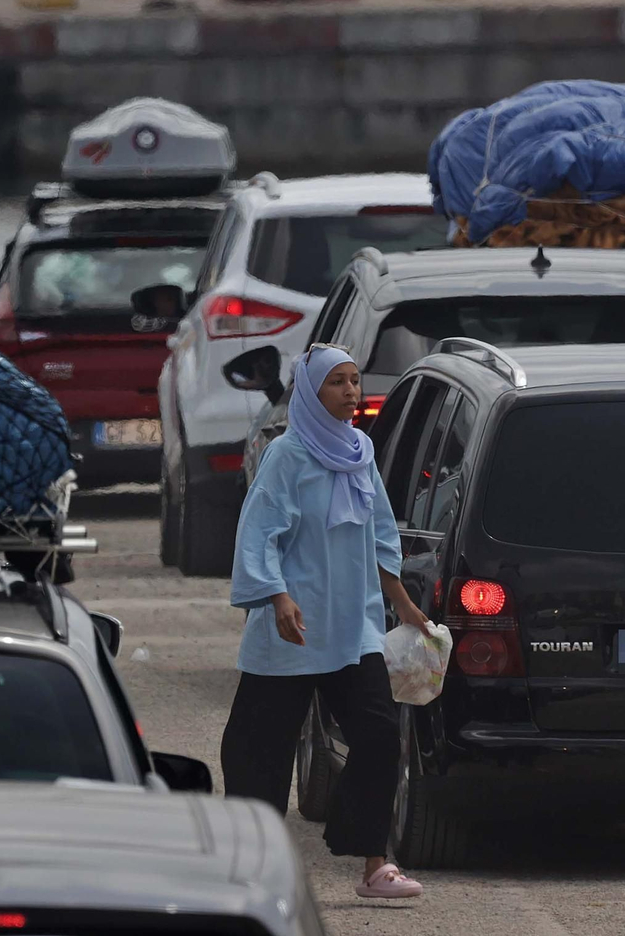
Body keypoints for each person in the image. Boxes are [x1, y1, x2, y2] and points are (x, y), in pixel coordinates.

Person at [220, 343, 431, 900]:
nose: (351, 392)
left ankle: (373, 863)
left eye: (355, 381)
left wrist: (402, 603)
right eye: (337, 382)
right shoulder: (287, 456)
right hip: (294, 627)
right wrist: (276, 596)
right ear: (313, 393)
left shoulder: (359, 450)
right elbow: (259, 532)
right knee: (260, 752)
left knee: (380, 735)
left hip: (352, 626)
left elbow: (380, 533)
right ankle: (251, 868)